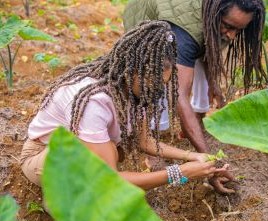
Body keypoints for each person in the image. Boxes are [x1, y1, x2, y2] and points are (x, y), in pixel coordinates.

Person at [19, 21, 230, 190]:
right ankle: (62, 200)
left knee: (114, 152)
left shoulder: (138, 92)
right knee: (110, 164)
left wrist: (193, 157)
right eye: (152, 85)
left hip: (76, 152)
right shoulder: (94, 101)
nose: (155, 92)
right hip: (42, 158)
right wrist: (180, 173)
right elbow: (111, 180)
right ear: (130, 71)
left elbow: (144, 141)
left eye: (162, 85)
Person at [123, 0, 266, 193]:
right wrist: (209, 161)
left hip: (189, 27)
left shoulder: (218, 19)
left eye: (239, 30)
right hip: (148, 15)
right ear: (214, 15)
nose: (232, 36)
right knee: (157, 82)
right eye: (229, 27)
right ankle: (155, 146)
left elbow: (205, 47)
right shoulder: (182, 34)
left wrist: (213, 84)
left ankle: (175, 134)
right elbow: (179, 96)